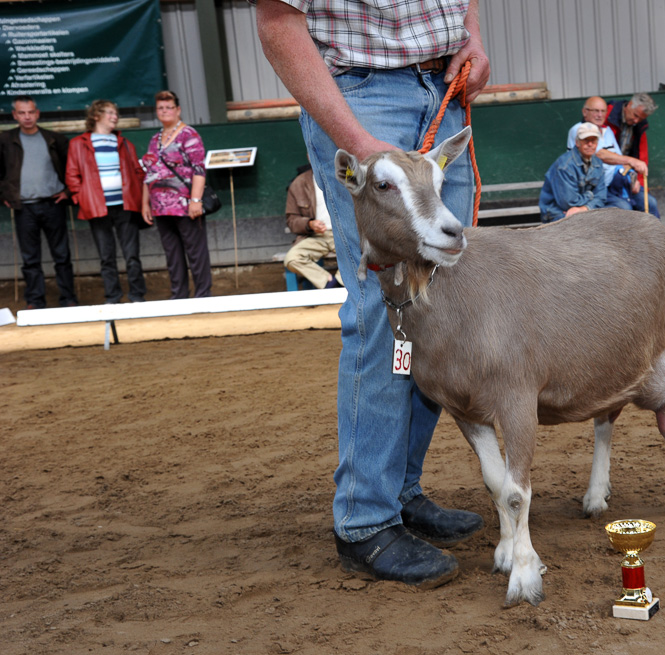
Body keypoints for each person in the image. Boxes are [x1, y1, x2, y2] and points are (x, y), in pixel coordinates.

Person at [256, 0, 489, 588]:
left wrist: (473, 40)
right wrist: (358, 143)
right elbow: (277, 19)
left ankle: (400, 490)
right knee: (383, 310)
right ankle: (364, 521)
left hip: (441, 85)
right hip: (361, 94)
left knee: (435, 310)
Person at [66, 100, 147, 304]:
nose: (114, 116)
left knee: (132, 255)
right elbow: (72, 176)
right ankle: (113, 296)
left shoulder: (125, 143)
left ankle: (137, 295)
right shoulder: (78, 144)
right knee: (106, 256)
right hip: (96, 208)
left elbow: (138, 172)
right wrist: (82, 198)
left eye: (116, 113)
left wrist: (139, 198)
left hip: (125, 206)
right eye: (109, 113)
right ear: (95, 116)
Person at [0, 96, 78, 309]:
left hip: (53, 203)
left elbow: (72, 168)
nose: (27, 117)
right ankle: (35, 301)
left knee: (62, 255)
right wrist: (5, 195)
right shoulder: (5, 140)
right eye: (22, 113)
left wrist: (69, 192)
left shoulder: (54, 139)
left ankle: (69, 299)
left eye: (30, 112)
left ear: (38, 113)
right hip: (24, 207)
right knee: (30, 258)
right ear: (14, 115)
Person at [140, 90, 213, 299]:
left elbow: (199, 169)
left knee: (196, 252)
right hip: (161, 207)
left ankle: (203, 296)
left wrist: (195, 200)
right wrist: (145, 204)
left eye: (169, 107)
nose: (165, 111)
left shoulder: (188, 135)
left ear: (178, 109)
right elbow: (149, 172)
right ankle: (178, 296)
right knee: (172, 254)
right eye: (160, 108)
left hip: (185, 205)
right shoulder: (155, 139)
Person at [566, 96, 659, 218]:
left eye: (603, 111)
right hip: (592, 189)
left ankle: (653, 236)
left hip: (615, 184)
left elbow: (619, 160)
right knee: (624, 208)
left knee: (650, 203)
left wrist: (632, 177)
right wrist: (632, 160)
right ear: (585, 112)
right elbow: (599, 154)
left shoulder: (607, 130)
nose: (599, 115)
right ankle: (628, 237)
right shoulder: (578, 130)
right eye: (595, 111)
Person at [283, 166, 342, 289]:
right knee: (292, 259)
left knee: (364, 254)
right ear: (309, 156)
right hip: (316, 236)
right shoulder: (299, 183)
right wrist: (309, 224)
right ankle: (329, 283)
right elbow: (292, 220)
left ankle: (340, 281)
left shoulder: (344, 176)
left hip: (344, 235)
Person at [538, 122, 606, 223]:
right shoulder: (565, 165)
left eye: (593, 140)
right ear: (577, 142)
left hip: (582, 211)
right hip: (557, 212)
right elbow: (568, 203)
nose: (590, 144)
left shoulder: (598, 163)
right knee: (583, 226)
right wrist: (590, 195)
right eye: (586, 140)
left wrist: (584, 208)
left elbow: (602, 197)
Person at [605, 93, 658, 170]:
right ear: (630, 104)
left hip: (625, 170)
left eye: (641, 119)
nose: (636, 121)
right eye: (635, 115)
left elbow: (642, 158)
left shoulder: (640, 125)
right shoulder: (608, 113)